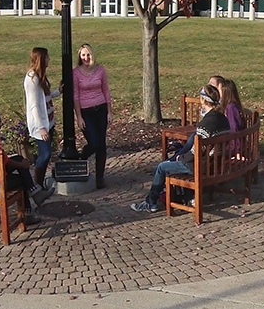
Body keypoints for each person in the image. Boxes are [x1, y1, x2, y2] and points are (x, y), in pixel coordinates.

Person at [132, 84, 229, 213]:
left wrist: (180, 157)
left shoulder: (205, 125)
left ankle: (150, 203)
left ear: (203, 100)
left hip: (201, 167)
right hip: (216, 164)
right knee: (177, 161)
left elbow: (196, 153)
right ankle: (189, 197)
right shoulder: (224, 120)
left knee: (162, 167)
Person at [73, 43, 113, 189]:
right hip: (86, 111)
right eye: (83, 55)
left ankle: (100, 177)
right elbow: (75, 96)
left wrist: (109, 111)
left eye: (88, 54)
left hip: (101, 109)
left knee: (101, 145)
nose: (86, 58)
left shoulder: (100, 70)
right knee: (94, 143)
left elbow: (106, 90)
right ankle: (82, 157)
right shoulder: (76, 73)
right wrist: (79, 116)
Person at [25, 47, 61, 195]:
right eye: (47, 57)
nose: (49, 60)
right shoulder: (32, 79)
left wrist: (58, 91)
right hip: (41, 125)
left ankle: (39, 183)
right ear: (41, 59)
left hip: (48, 122)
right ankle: (36, 184)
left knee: (46, 154)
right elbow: (34, 105)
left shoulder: (41, 76)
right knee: (44, 154)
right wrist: (41, 127)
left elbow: (44, 97)